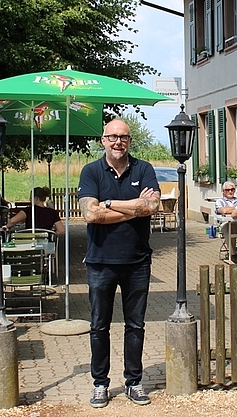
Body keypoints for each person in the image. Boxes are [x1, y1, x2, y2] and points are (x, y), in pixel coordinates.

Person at [78, 119, 160, 409]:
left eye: (123, 137)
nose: (118, 142)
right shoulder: (91, 171)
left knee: (135, 325)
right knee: (99, 326)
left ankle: (133, 382)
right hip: (100, 262)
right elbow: (90, 215)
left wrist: (109, 204)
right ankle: (100, 384)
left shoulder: (144, 169)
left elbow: (151, 207)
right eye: (112, 137)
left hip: (137, 261)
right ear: (103, 140)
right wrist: (132, 208)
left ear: (130, 140)